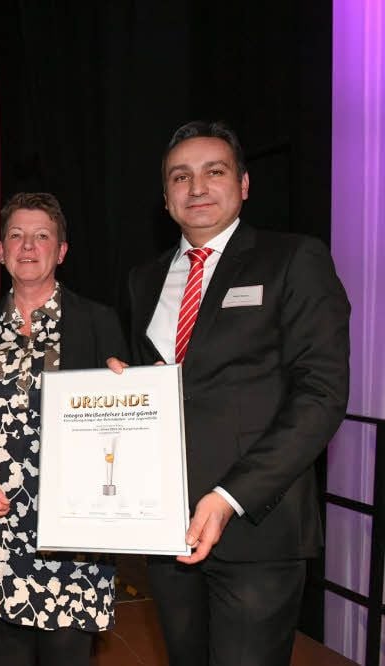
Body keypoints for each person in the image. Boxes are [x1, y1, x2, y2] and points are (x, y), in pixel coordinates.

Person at [115, 120, 350, 666]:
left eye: (213, 171)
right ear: (167, 198)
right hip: (166, 527)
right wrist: (124, 385)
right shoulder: (144, 279)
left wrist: (229, 497)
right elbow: (169, 385)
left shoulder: (294, 259)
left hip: (256, 526)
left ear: (243, 185)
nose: (196, 187)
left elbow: (322, 394)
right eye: (181, 177)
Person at [0, 193, 126, 665]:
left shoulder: (98, 322)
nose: (29, 246)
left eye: (42, 236)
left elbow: (123, 423)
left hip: (73, 531)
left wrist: (129, 392)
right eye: (16, 236)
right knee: (3, 652)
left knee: (68, 652)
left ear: (62, 251)